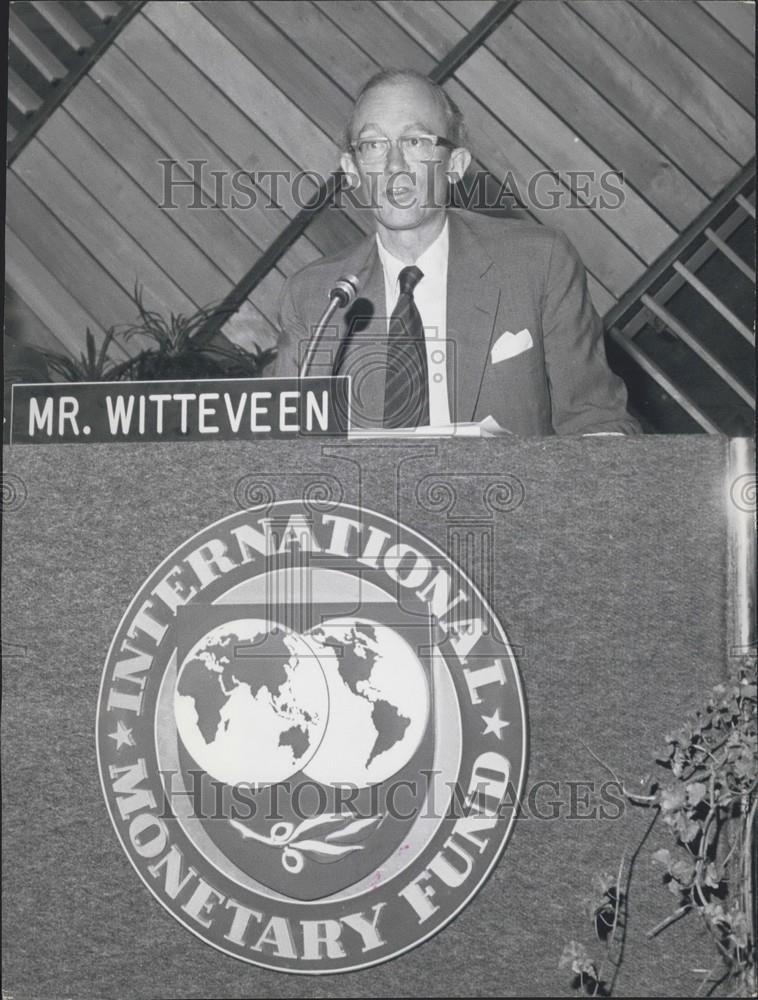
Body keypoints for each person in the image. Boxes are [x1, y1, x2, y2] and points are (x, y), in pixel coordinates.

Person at [275, 69, 640, 435]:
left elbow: (598, 423)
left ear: (455, 165)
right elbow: (285, 448)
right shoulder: (313, 298)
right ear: (351, 171)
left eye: (415, 142)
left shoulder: (538, 263)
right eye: (373, 146)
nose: (394, 166)